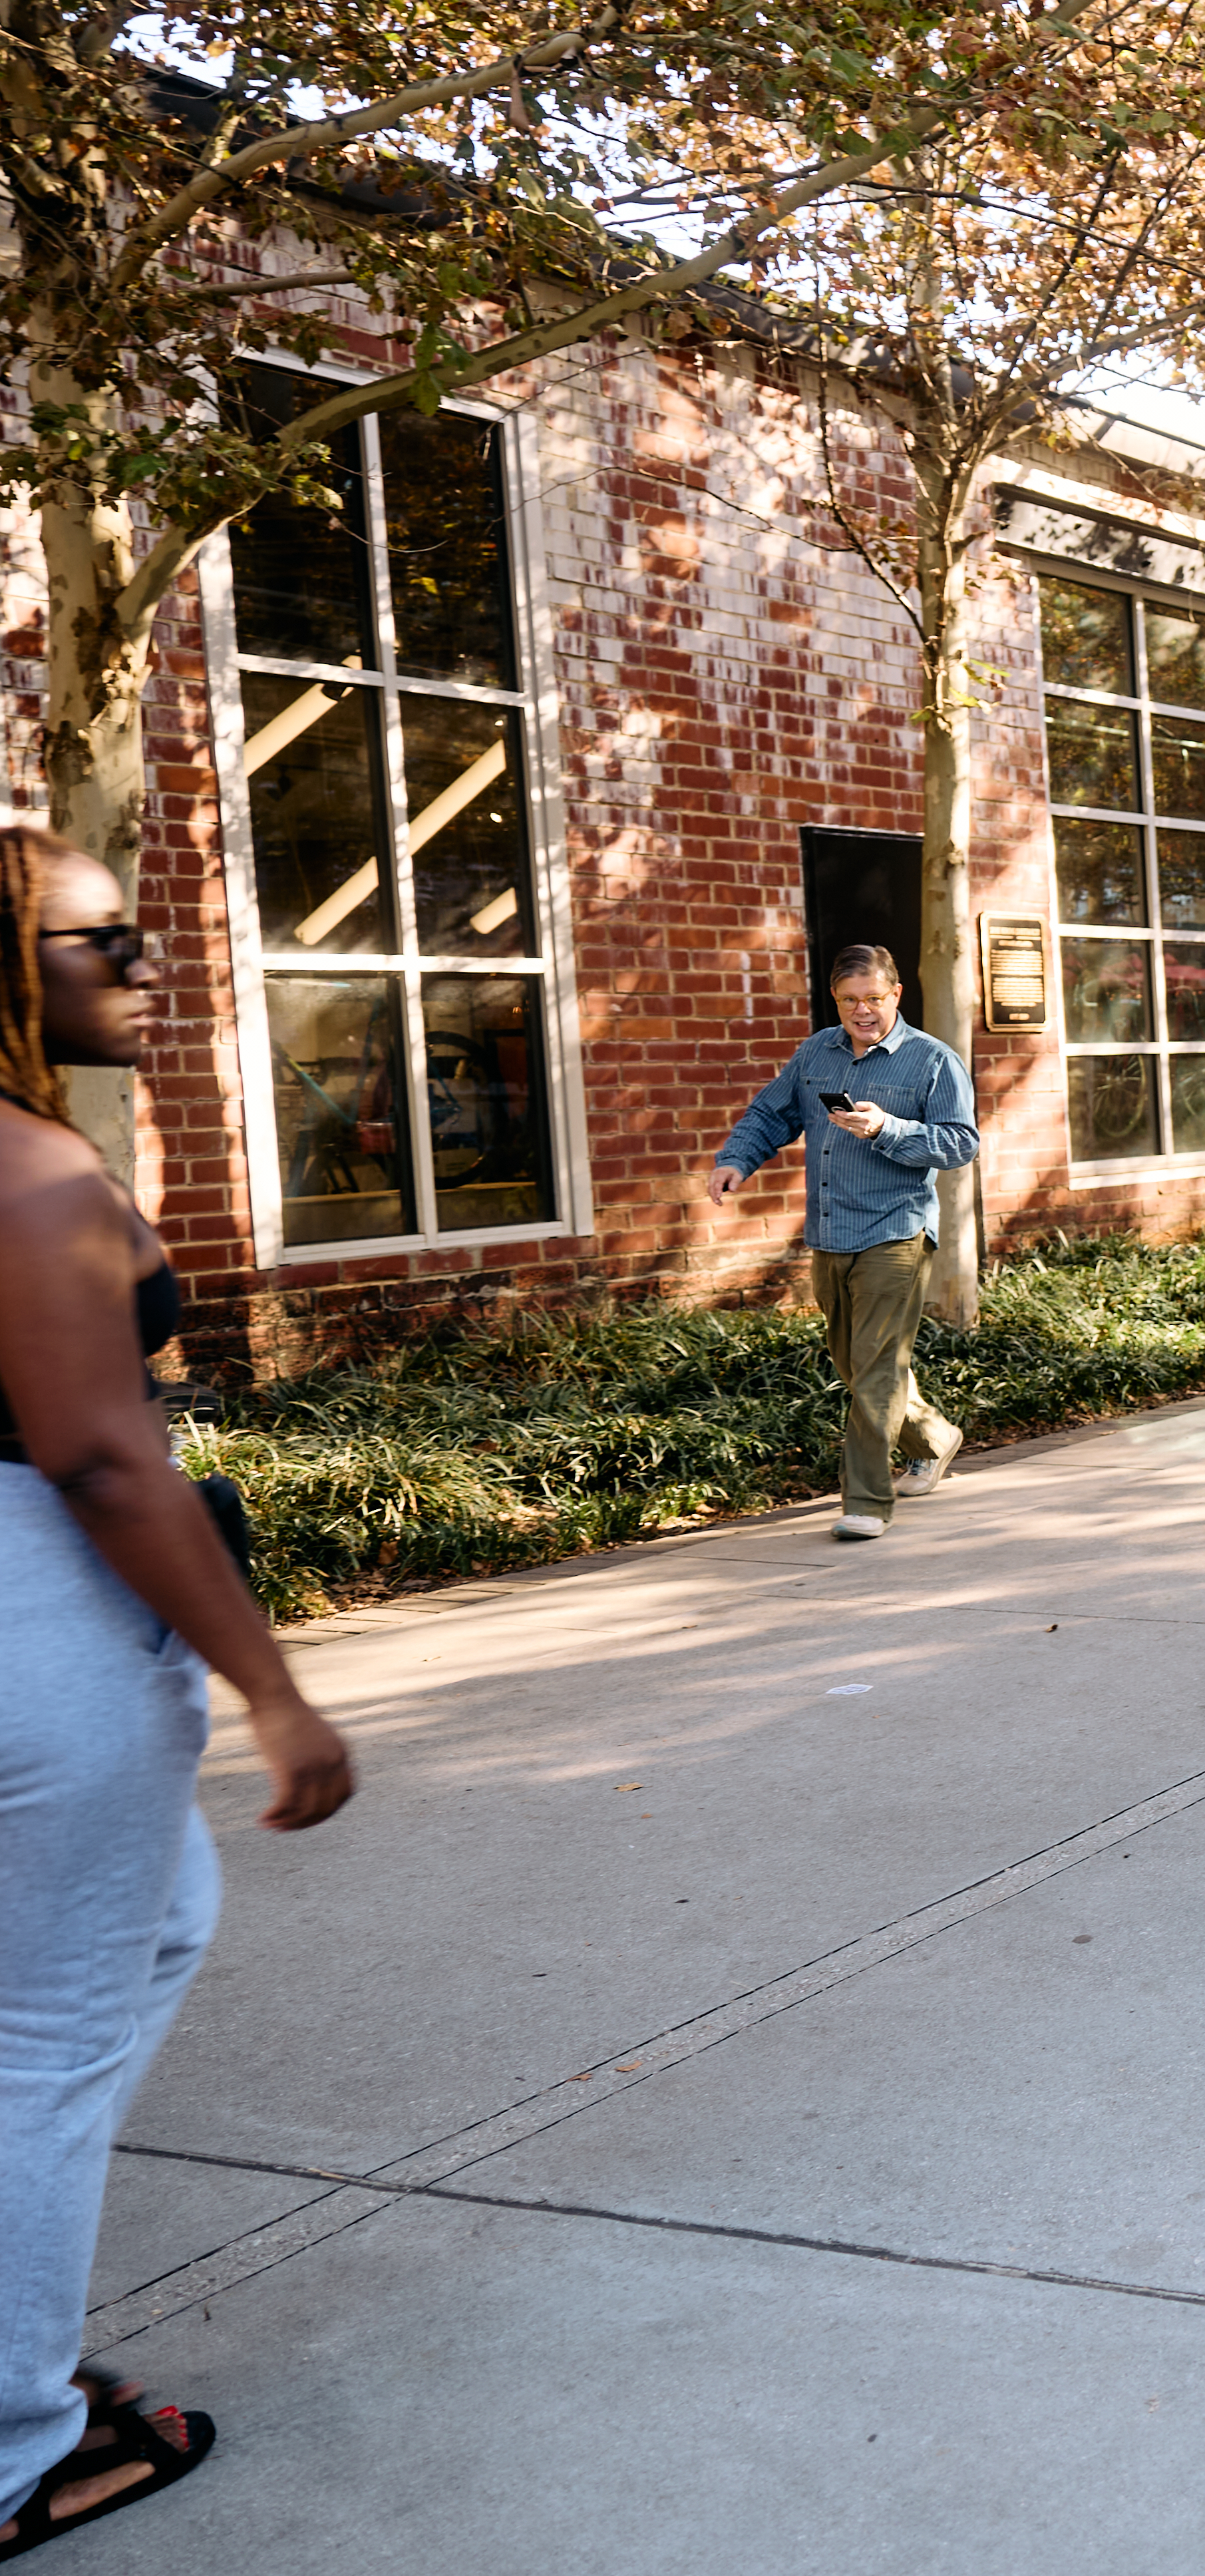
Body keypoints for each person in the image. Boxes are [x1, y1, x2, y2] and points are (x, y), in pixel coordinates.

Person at [0, 827, 354, 2556]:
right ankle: (9, 2442)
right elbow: (105, 1457)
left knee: (156, 1923)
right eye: (98, 941)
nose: (142, 963)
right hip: (34, 1612)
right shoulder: (38, 1177)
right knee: (44, 2041)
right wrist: (277, 1693)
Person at [705, 945, 981, 1540]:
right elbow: (770, 1114)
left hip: (896, 1231)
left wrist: (888, 1127)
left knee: (878, 1366)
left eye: (874, 999)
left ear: (896, 995)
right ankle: (934, 1438)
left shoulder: (931, 1061)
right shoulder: (817, 1052)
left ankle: (866, 1501)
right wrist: (736, 1161)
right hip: (831, 1232)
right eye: (850, 1000)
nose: (862, 1011)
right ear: (836, 1000)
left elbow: (960, 1143)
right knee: (854, 1365)